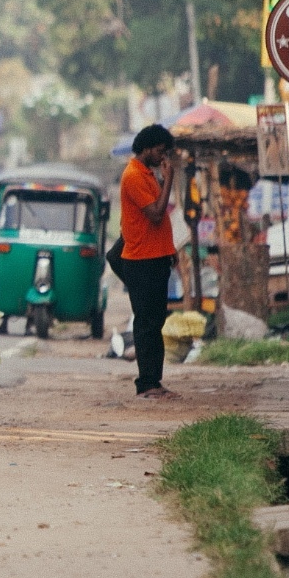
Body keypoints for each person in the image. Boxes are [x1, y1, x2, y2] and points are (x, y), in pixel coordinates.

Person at [119, 123, 181, 400]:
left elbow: (158, 221)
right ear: (145, 148)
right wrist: (169, 179)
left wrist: (169, 248)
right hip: (142, 260)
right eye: (159, 151)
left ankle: (154, 380)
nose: (162, 157)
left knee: (156, 322)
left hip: (156, 256)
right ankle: (146, 383)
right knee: (146, 322)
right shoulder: (133, 176)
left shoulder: (148, 174)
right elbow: (156, 214)